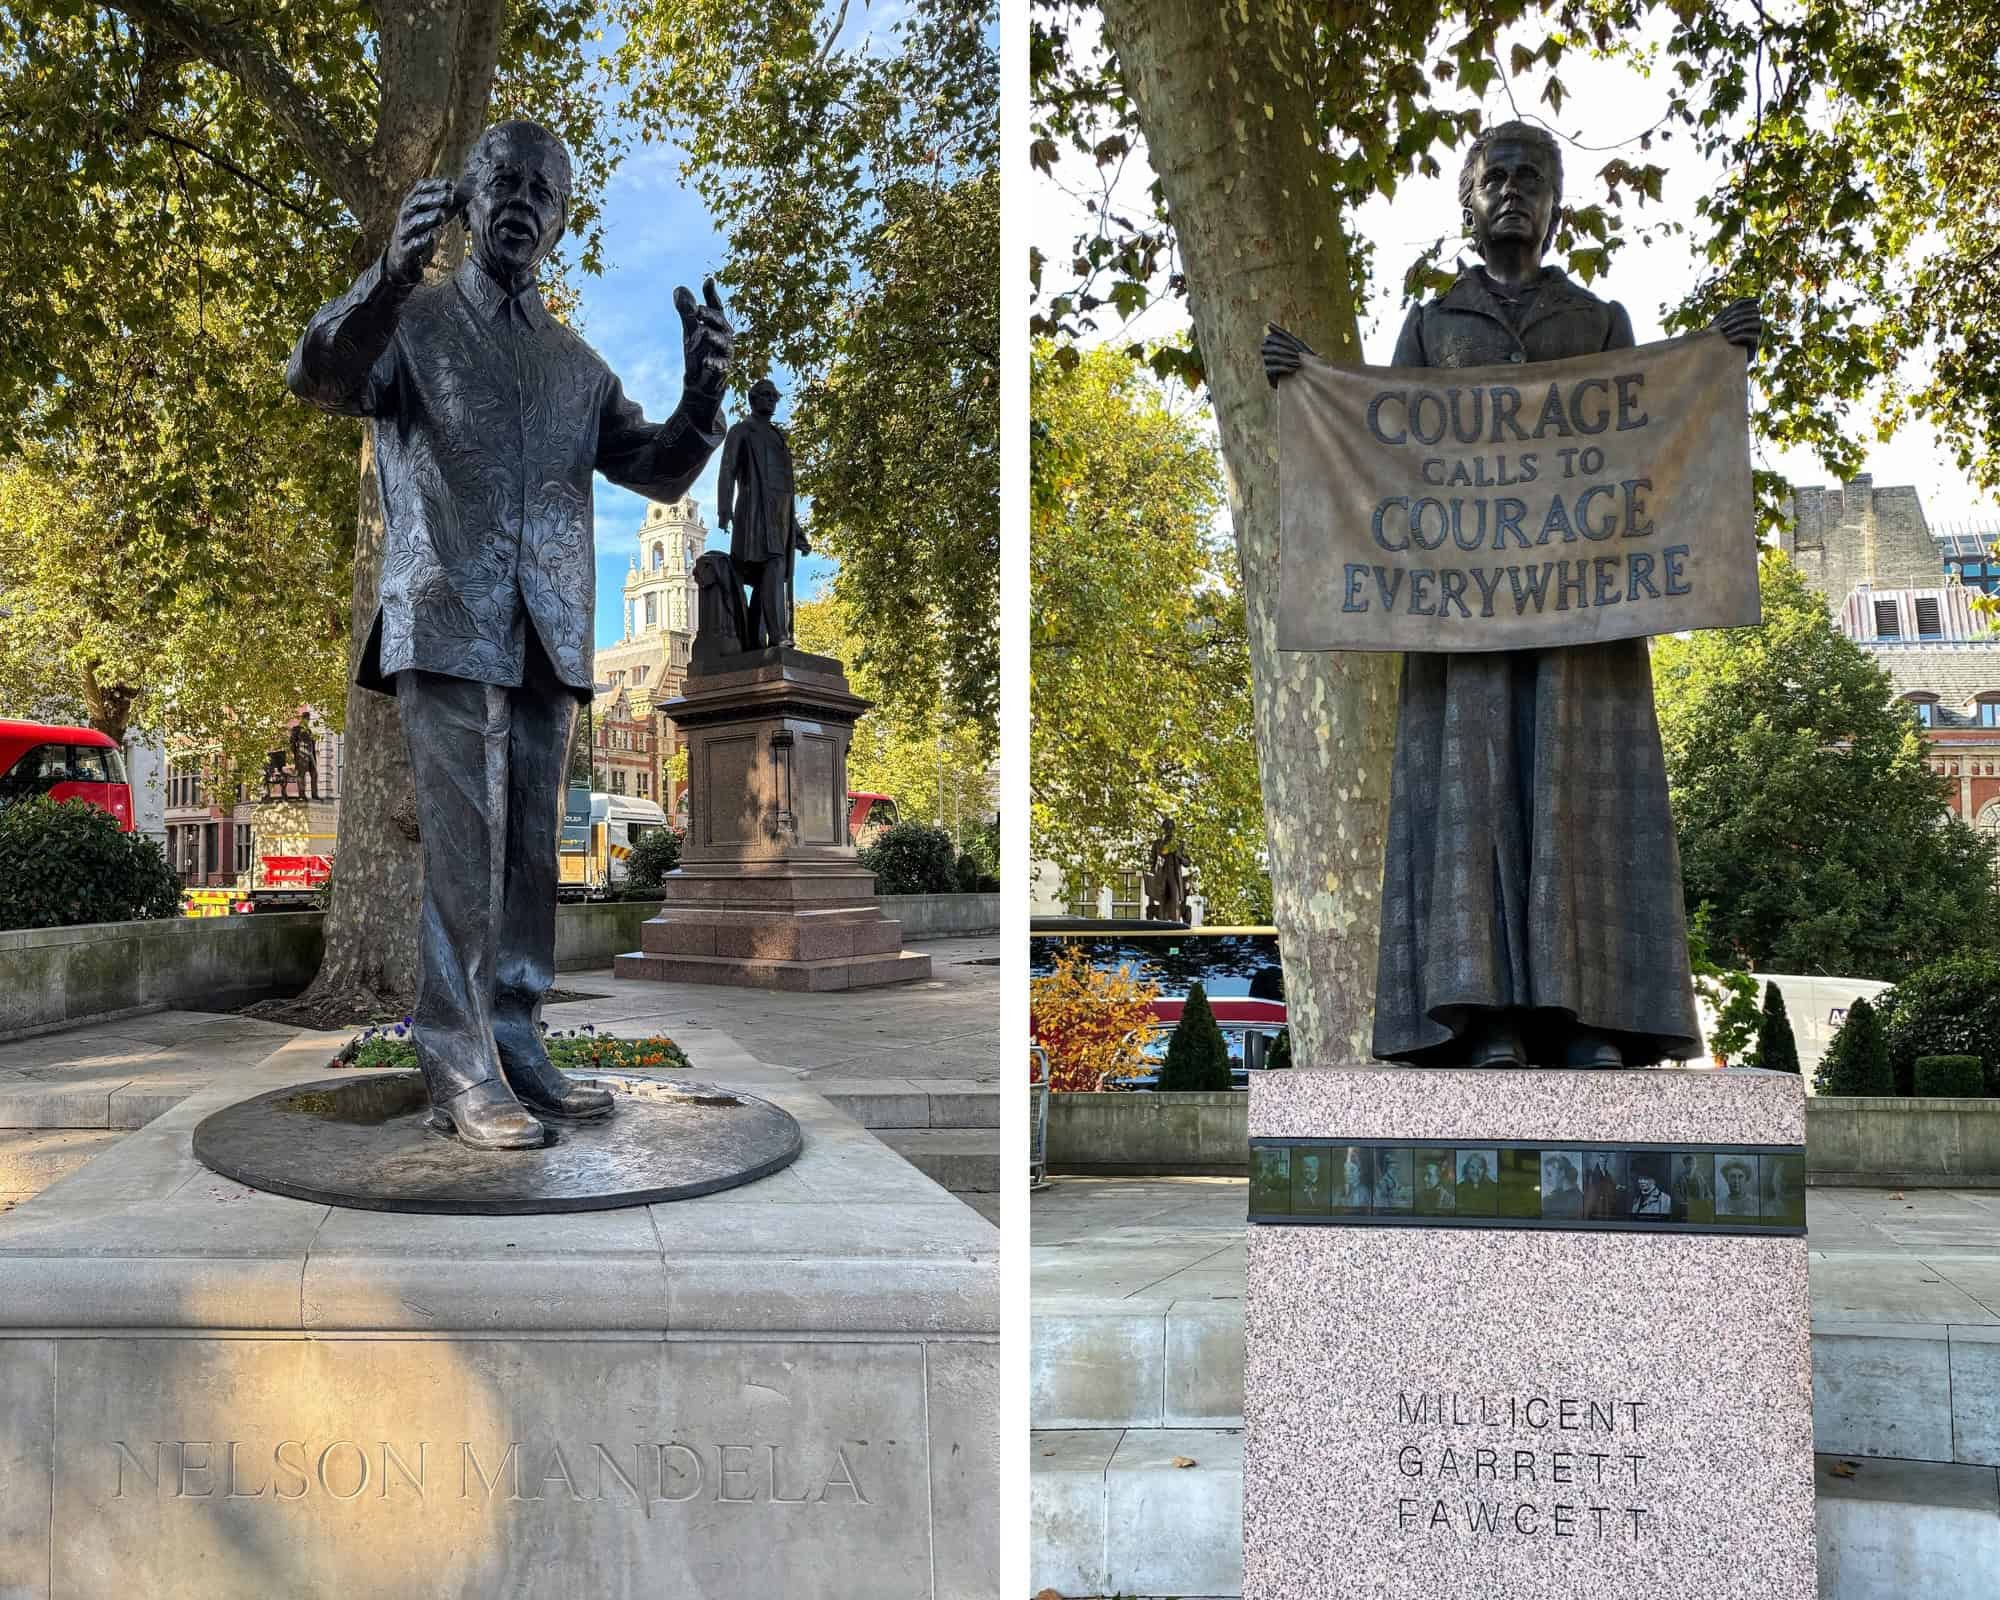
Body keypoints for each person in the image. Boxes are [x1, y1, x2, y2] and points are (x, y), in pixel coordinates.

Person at [1264, 120, 1760, 1070]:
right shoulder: (1432, 325)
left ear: (1556, 202)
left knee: (1579, 798)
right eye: (1496, 175)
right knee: (1475, 799)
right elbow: (1379, 458)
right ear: (1468, 198)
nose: (1514, 189)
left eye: (1533, 176)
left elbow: (1653, 441)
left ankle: (1586, 1020)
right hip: (1463, 628)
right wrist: (1307, 391)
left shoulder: (1598, 320)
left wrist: (1716, 362)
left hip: (1585, 618)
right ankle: (1481, 1016)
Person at [288, 121, 733, 1148]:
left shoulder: (576, 364)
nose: (523, 200)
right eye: (503, 181)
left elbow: (658, 467)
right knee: (466, 845)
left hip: (552, 630)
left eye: (544, 188)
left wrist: (702, 398)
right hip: (444, 615)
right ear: (468, 198)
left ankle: (515, 1032)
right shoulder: (414, 318)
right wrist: (385, 281)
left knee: (533, 845)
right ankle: (453, 1057)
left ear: (562, 217)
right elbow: (315, 375)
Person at [717, 377, 810, 650]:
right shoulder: (742, 431)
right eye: (765, 395)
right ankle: (778, 636)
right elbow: (727, 471)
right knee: (769, 568)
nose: (771, 400)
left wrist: (796, 531)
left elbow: (785, 490)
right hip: (754, 512)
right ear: (753, 399)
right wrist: (724, 508)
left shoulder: (779, 437)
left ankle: (757, 641)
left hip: (780, 518)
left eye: (774, 396)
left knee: (770, 574)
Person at [288, 710, 320, 802]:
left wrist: (313, 756)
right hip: (301, 754)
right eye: (307, 719)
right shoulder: (296, 729)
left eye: (308, 719)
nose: (308, 721)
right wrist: (296, 754)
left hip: (310, 754)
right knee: (301, 775)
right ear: (303, 719)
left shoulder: (309, 731)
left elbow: (312, 745)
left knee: (314, 773)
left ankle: (314, 794)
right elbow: (292, 742)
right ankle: (302, 794)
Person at [1542, 1154, 1584, 1218]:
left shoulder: (1549, 1201)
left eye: (1549, 1174)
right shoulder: (1581, 1196)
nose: (1547, 1180)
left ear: (1562, 1172)